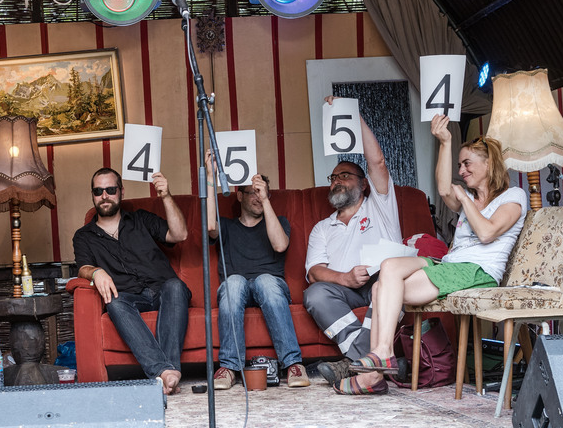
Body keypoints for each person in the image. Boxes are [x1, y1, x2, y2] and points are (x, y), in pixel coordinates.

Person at [333, 113, 527, 395]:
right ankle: (383, 356)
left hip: (477, 271)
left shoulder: (513, 196)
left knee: (382, 290)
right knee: (387, 271)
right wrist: (445, 142)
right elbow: (443, 188)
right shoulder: (470, 199)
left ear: (489, 164)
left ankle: (373, 375)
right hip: (450, 265)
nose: (462, 171)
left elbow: (487, 233)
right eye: (459, 165)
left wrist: (464, 199)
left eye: (467, 163)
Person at [302, 106, 401, 382]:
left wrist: (352, 114)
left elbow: (377, 162)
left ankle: (353, 363)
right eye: (333, 177)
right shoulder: (322, 227)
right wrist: (345, 278)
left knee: (388, 286)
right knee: (315, 294)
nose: (337, 181)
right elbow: (314, 272)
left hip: (382, 281)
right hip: (345, 290)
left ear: (364, 184)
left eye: (344, 176)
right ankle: (373, 362)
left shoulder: (380, 206)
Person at [73, 167, 190, 396]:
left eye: (110, 190)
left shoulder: (141, 218)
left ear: (121, 192)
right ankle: (167, 372)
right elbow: (83, 267)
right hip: (128, 297)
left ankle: (165, 371)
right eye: (98, 191)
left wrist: (166, 196)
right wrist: (96, 272)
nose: (104, 196)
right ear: (92, 195)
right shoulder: (84, 236)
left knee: (175, 286)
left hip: (164, 290)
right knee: (114, 303)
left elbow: (180, 235)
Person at [205, 153, 308, 390]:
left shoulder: (278, 221)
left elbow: (280, 245)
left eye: (262, 192)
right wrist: (211, 177)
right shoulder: (227, 225)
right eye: (252, 192)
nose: (258, 197)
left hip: (270, 287)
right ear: (239, 195)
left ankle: (293, 363)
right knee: (234, 282)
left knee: (265, 281)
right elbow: (209, 226)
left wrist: (266, 200)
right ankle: (229, 366)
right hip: (236, 288)